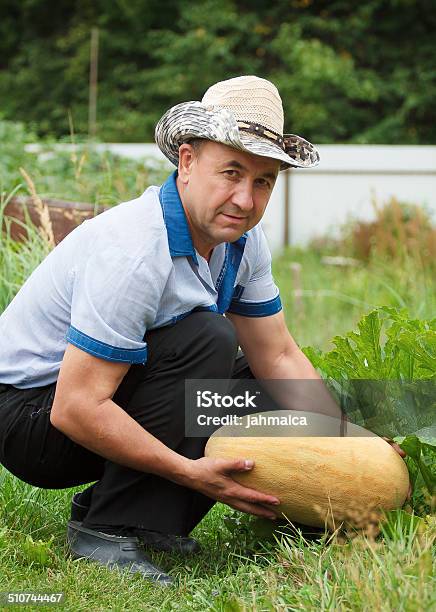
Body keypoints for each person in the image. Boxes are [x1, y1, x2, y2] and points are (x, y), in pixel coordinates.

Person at [0, 75, 405, 585]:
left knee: (267, 393)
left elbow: (277, 355)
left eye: (263, 181)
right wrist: (187, 471)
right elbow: (75, 406)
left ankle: (136, 514)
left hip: (106, 396)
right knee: (207, 339)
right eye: (231, 172)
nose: (244, 198)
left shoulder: (241, 241)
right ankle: (109, 529)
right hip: (33, 415)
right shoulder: (134, 250)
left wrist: (349, 443)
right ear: (187, 162)